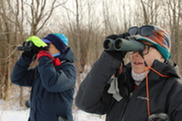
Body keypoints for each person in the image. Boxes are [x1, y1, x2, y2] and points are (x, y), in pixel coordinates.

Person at [75, 25, 182, 121]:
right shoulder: (122, 83)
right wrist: (108, 59)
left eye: (143, 48)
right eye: (132, 48)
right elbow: (85, 102)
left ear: (162, 56)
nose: (136, 54)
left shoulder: (175, 90)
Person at [11, 33, 77, 121]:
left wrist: (45, 57)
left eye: (47, 45)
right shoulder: (42, 68)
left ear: (60, 47)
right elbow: (17, 78)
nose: (44, 48)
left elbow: (52, 83)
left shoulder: (69, 69)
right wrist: (27, 56)